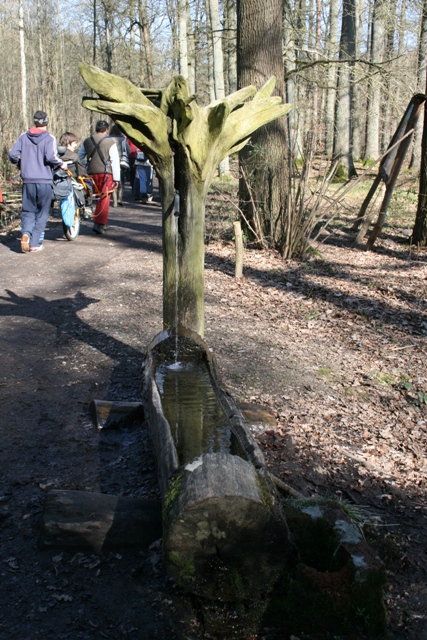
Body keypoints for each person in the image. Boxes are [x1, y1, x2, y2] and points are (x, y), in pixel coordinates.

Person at [8, 110, 68, 253]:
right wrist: (61, 164)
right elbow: (51, 156)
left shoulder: (24, 136)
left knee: (28, 210)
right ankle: (34, 243)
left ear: (34, 122)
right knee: (42, 211)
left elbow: (12, 154)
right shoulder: (49, 138)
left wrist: (20, 164)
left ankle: (25, 233)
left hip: (28, 180)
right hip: (44, 180)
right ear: (47, 122)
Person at [78, 120, 120, 234]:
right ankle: (100, 223)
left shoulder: (87, 141)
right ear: (106, 130)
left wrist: (85, 167)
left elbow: (80, 157)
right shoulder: (110, 142)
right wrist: (117, 178)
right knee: (104, 197)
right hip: (106, 174)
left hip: (90, 173)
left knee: (96, 197)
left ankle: (102, 222)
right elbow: (115, 161)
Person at [108, 124, 130, 207]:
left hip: (110, 162)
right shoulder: (123, 139)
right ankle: (120, 198)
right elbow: (129, 150)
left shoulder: (108, 139)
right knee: (121, 181)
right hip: (121, 162)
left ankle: (114, 201)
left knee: (113, 180)